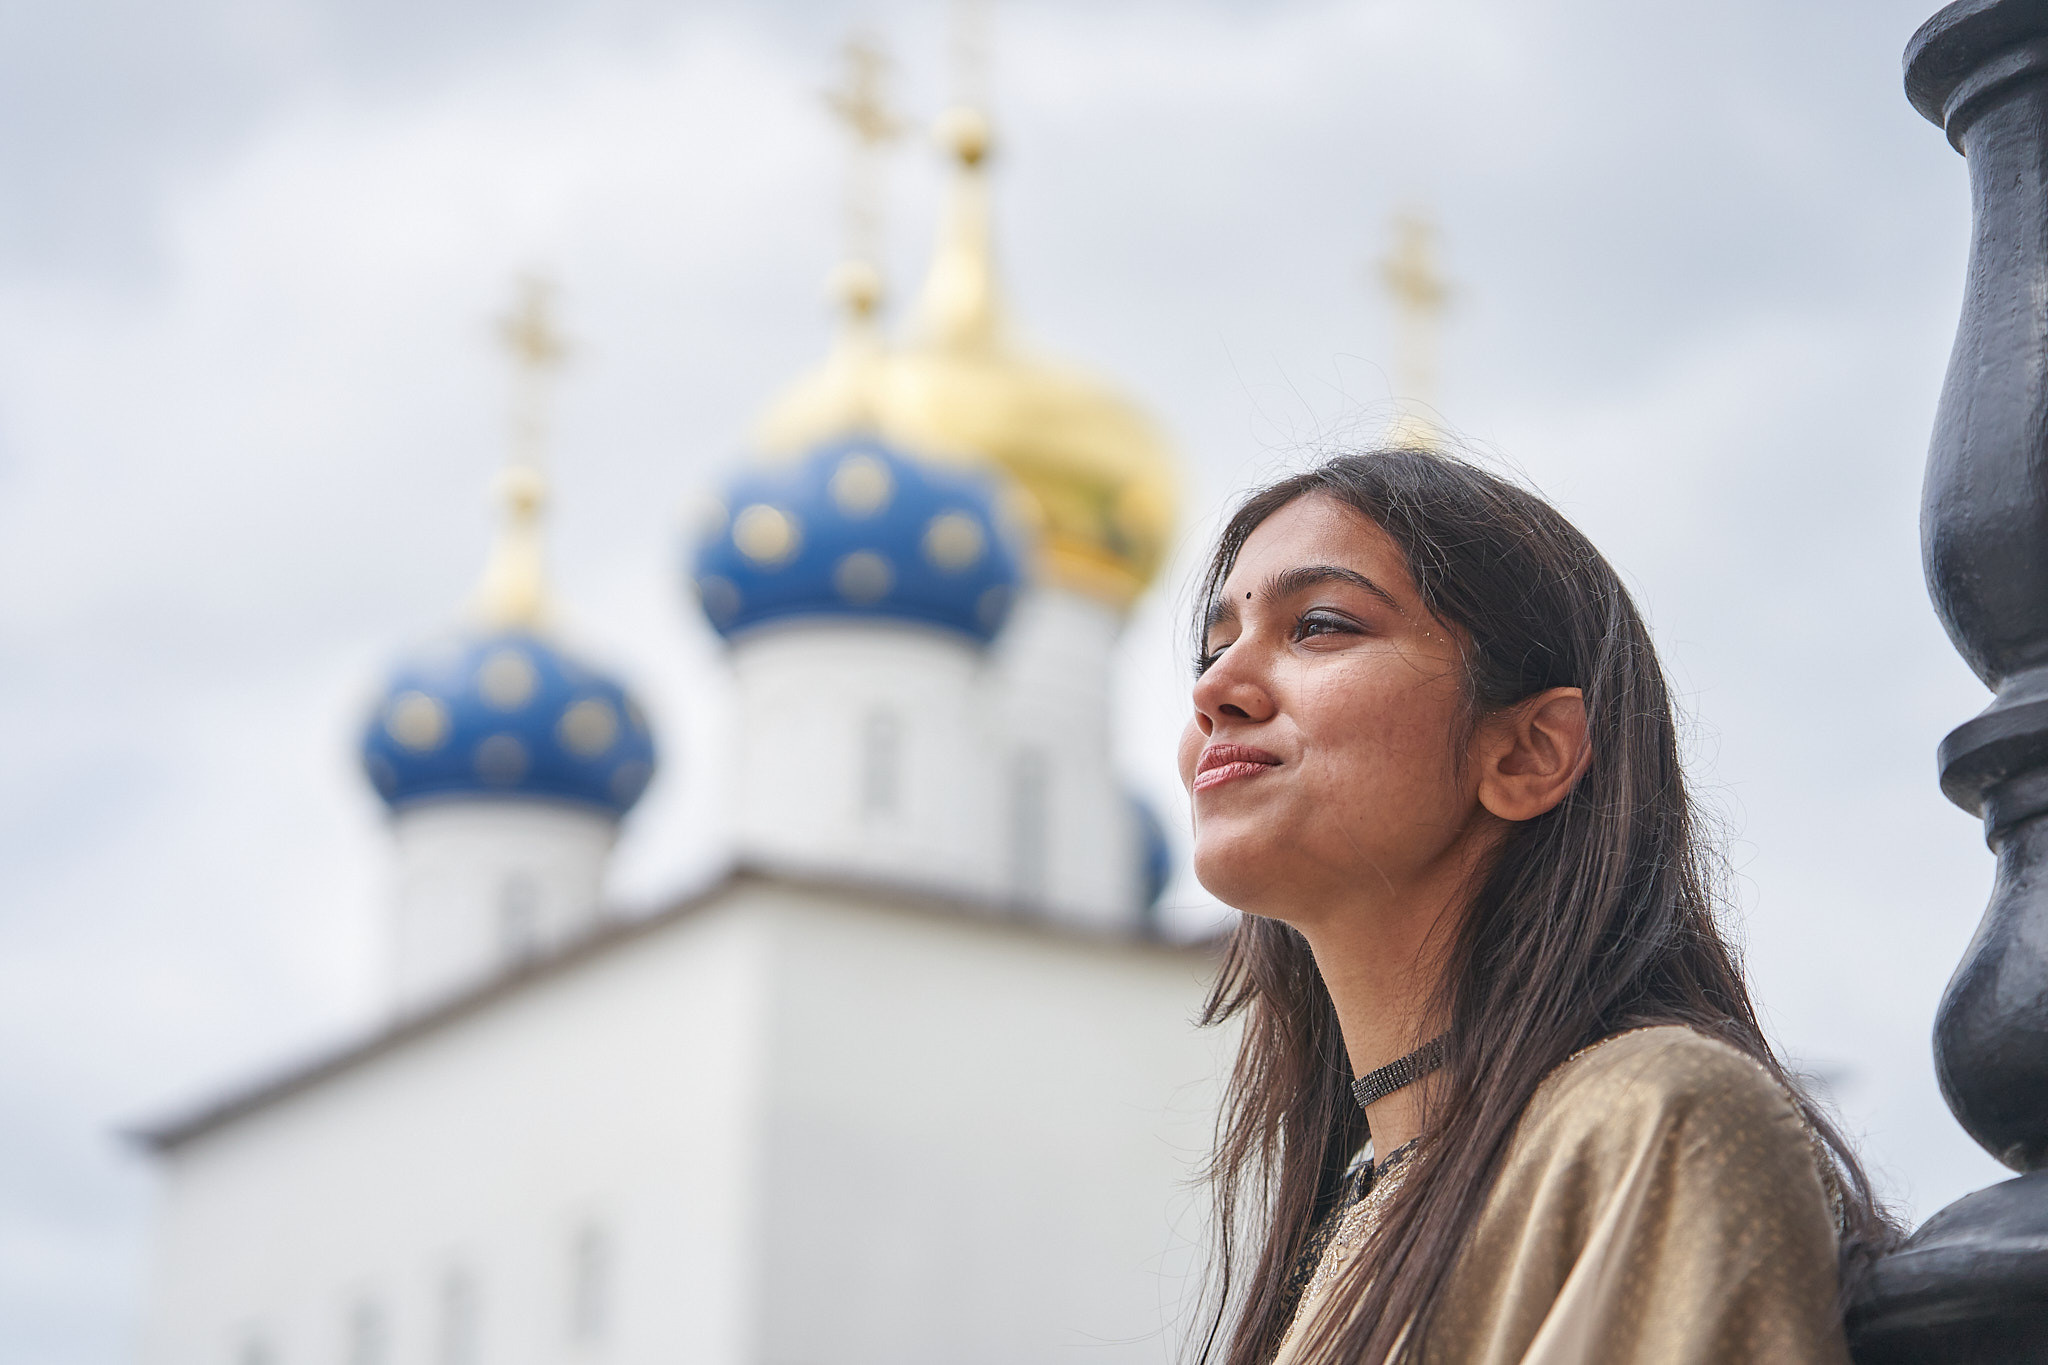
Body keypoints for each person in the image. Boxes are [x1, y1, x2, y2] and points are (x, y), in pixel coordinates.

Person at [1179, 448, 1896, 1365]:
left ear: (1529, 752)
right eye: (1214, 649)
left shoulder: (1656, 1118)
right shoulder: (1358, 1207)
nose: (1213, 691)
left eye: (1319, 625)